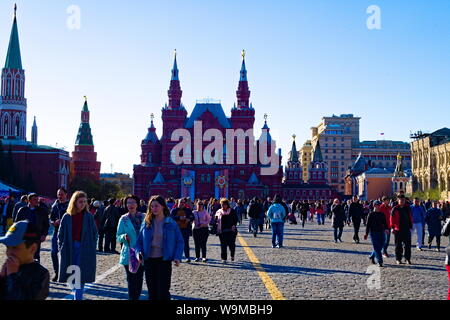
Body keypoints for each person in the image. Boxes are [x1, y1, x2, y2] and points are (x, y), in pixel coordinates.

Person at [135, 195, 183, 300]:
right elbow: (138, 242)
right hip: (149, 260)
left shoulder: (171, 223)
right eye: (152, 206)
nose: (154, 208)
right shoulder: (146, 222)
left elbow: (180, 241)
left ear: (163, 207)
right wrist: (138, 253)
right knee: (152, 292)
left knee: (163, 292)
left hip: (164, 260)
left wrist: (177, 256)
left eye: (156, 206)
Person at [57, 191, 98, 300]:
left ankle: (77, 297)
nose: (83, 204)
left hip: (85, 249)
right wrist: (61, 247)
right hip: (69, 249)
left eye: (85, 201)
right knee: (71, 275)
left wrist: (92, 246)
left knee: (81, 276)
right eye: (80, 202)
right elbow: (60, 234)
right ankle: (77, 293)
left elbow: (95, 233)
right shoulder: (67, 216)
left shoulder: (89, 216)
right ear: (74, 202)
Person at [0, 220, 49, 300]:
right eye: (8, 247)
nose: (9, 252)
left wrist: (12, 276)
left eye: (15, 247)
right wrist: (2, 278)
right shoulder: (8, 270)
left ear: (32, 249)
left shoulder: (41, 274)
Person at [116, 195, 145, 300]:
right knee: (131, 279)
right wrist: (123, 237)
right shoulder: (123, 219)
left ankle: (136, 297)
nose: (131, 205)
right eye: (128, 203)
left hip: (142, 253)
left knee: (139, 278)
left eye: (133, 202)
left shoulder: (144, 217)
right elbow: (118, 237)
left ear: (137, 204)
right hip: (129, 253)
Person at [14, 194, 49, 262]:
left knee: (35, 256)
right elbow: (16, 223)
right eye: (34, 200)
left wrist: (44, 234)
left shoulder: (42, 211)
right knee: (24, 256)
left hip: (36, 237)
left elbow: (46, 224)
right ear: (29, 200)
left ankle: (35, 271)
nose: (36, 201)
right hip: (24, 238)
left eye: (37, 199)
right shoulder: (22, 210)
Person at [49, 187, 69, 282]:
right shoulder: (55, 205)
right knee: (53, 253)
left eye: (61, 194)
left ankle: (66, 273)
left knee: (66, 254)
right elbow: (50, 218)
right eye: (58, 194)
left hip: (67, 233)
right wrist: (53, 222)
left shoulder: (70, 205)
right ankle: (57, 272)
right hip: (56, 232)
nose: (59, 196)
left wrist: (64, 222)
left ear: (66, 194)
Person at [364, 200, 388, 267]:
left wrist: (386, 229)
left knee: (381, 245)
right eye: (376, 205)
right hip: (373, 233)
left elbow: (385, 223)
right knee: (377, 247)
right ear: (374, 206)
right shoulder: (371, 214)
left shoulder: (382, 214)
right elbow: (368, 225)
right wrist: (366, 233)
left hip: (381, 232)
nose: (378, 206)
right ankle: (380, 261)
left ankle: (372, 256)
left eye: (379, 205)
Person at [391, 195, 413, 265]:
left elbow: (410, 217)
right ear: (398, 200)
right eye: (400, 200)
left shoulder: (407, 208)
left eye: (403, 200)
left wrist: (411, 226)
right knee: (398, 246)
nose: (402, 201)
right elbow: (391, 219)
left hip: (406, 229)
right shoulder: (395, 209)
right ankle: (398, 259)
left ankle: (407, 259)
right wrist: (392, 228)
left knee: (408, 245)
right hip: (398, 229)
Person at [171, 198, 194, 263]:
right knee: (177, 243)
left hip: (185, 229)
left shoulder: (188, 210)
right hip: (176, 229)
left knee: (186, 243)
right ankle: (177, 257)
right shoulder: (174, 210)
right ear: (178, 203)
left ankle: (187, 257)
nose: (182, 204)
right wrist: (179, 218)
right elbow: (171, 217)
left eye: (183, 202)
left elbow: (193, 217)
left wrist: (189, 219)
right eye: (181, 202)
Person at [215, 198, 238, 263]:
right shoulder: (219, 212)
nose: (223, 206)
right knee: (223, 245)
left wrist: (234, 225)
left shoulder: (232, 211)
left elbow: (236, 219)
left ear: (227, 205)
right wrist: (216, 223)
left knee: (231, 244)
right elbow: (215, 219)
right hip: (222, 231)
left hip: (231, 230)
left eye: (224, 205)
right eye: (222, 205)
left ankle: (232, 255)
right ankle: (224, 258)